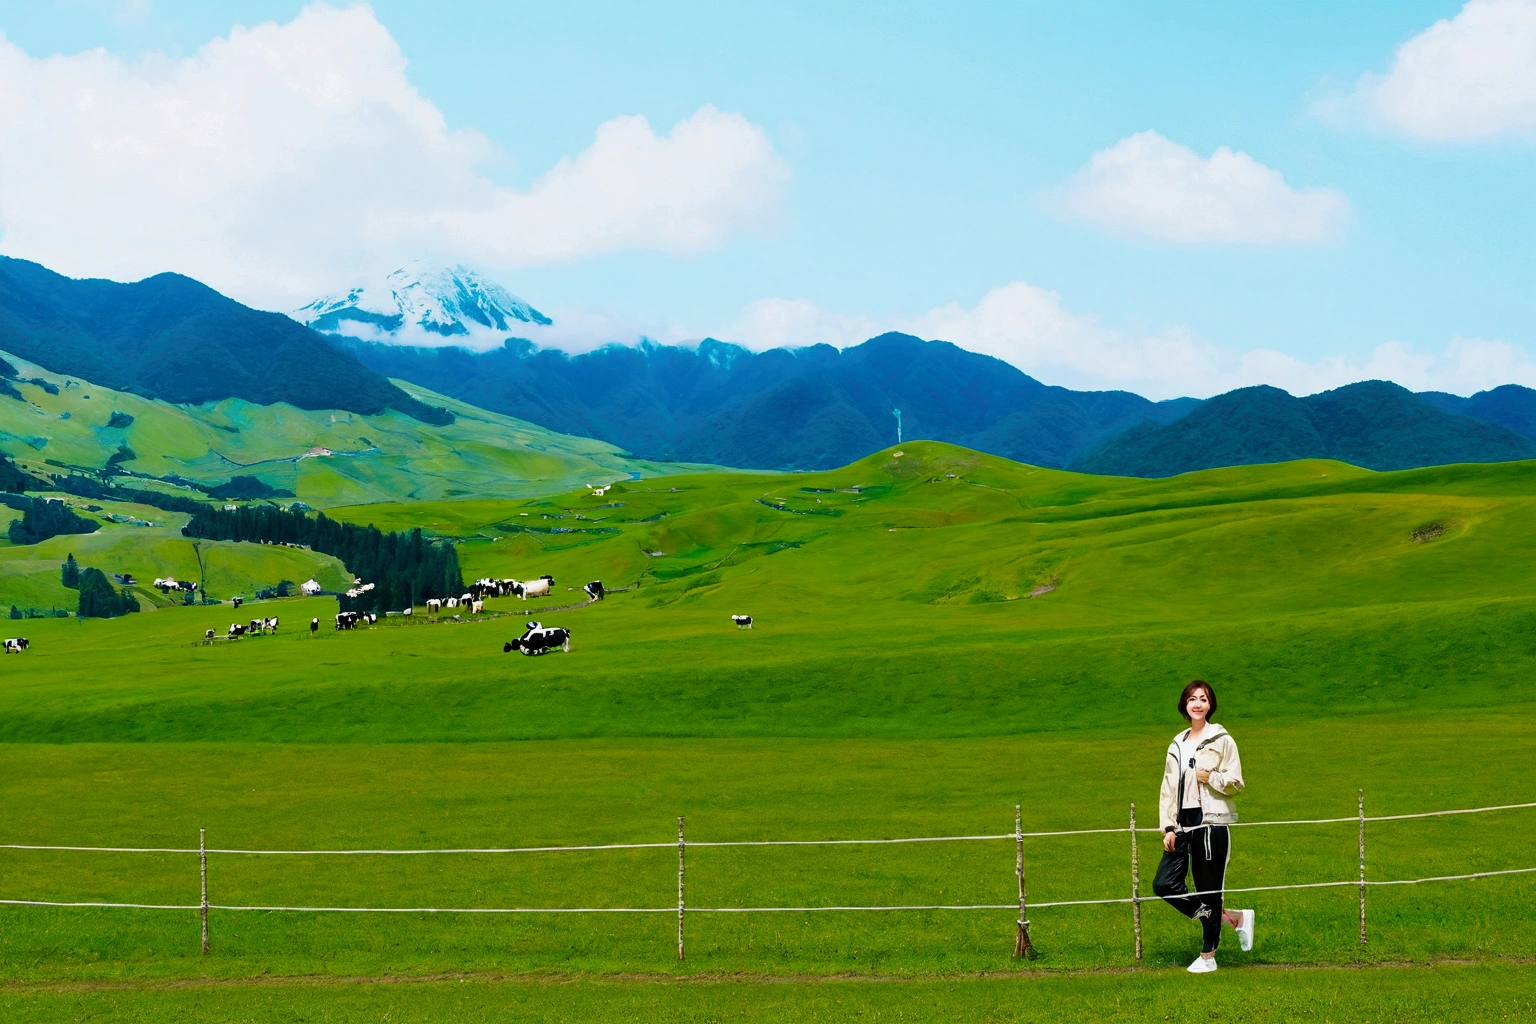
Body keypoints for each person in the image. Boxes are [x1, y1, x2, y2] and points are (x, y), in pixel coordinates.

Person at [1153, 679, 1255, 973]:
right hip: (1182, 825)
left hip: (1211, 823)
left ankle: (1209, 956)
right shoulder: (1177, 744)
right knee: (1164, 884)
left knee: (1209, 889)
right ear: (1184, 705)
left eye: (1204, 699)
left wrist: (1210, 778)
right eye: (1192, 699)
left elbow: (1236, 783)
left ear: (1211, 705)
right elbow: (1167, 789)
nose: (1197, 704)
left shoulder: (1222, 739)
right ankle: (1232, 917)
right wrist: (1168, 827)